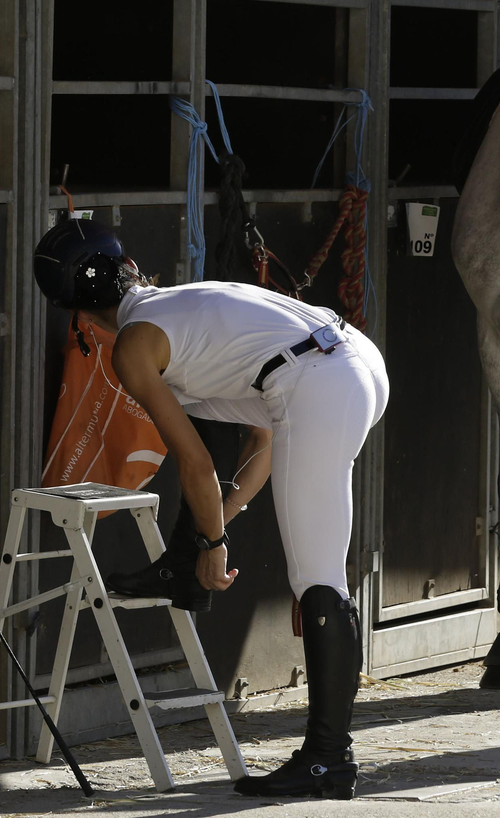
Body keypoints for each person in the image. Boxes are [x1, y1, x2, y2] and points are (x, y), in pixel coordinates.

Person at [33, 218, 389, 797]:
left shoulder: (132, 346)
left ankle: (328, 760)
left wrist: (215, 544)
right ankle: (328, 755)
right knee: (319, 571)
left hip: (321, 380)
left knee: (317, 579)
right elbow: (268, 435)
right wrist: (210, 532)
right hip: (356, 362)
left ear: (74, 311)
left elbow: (196, 464)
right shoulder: (177, 305)